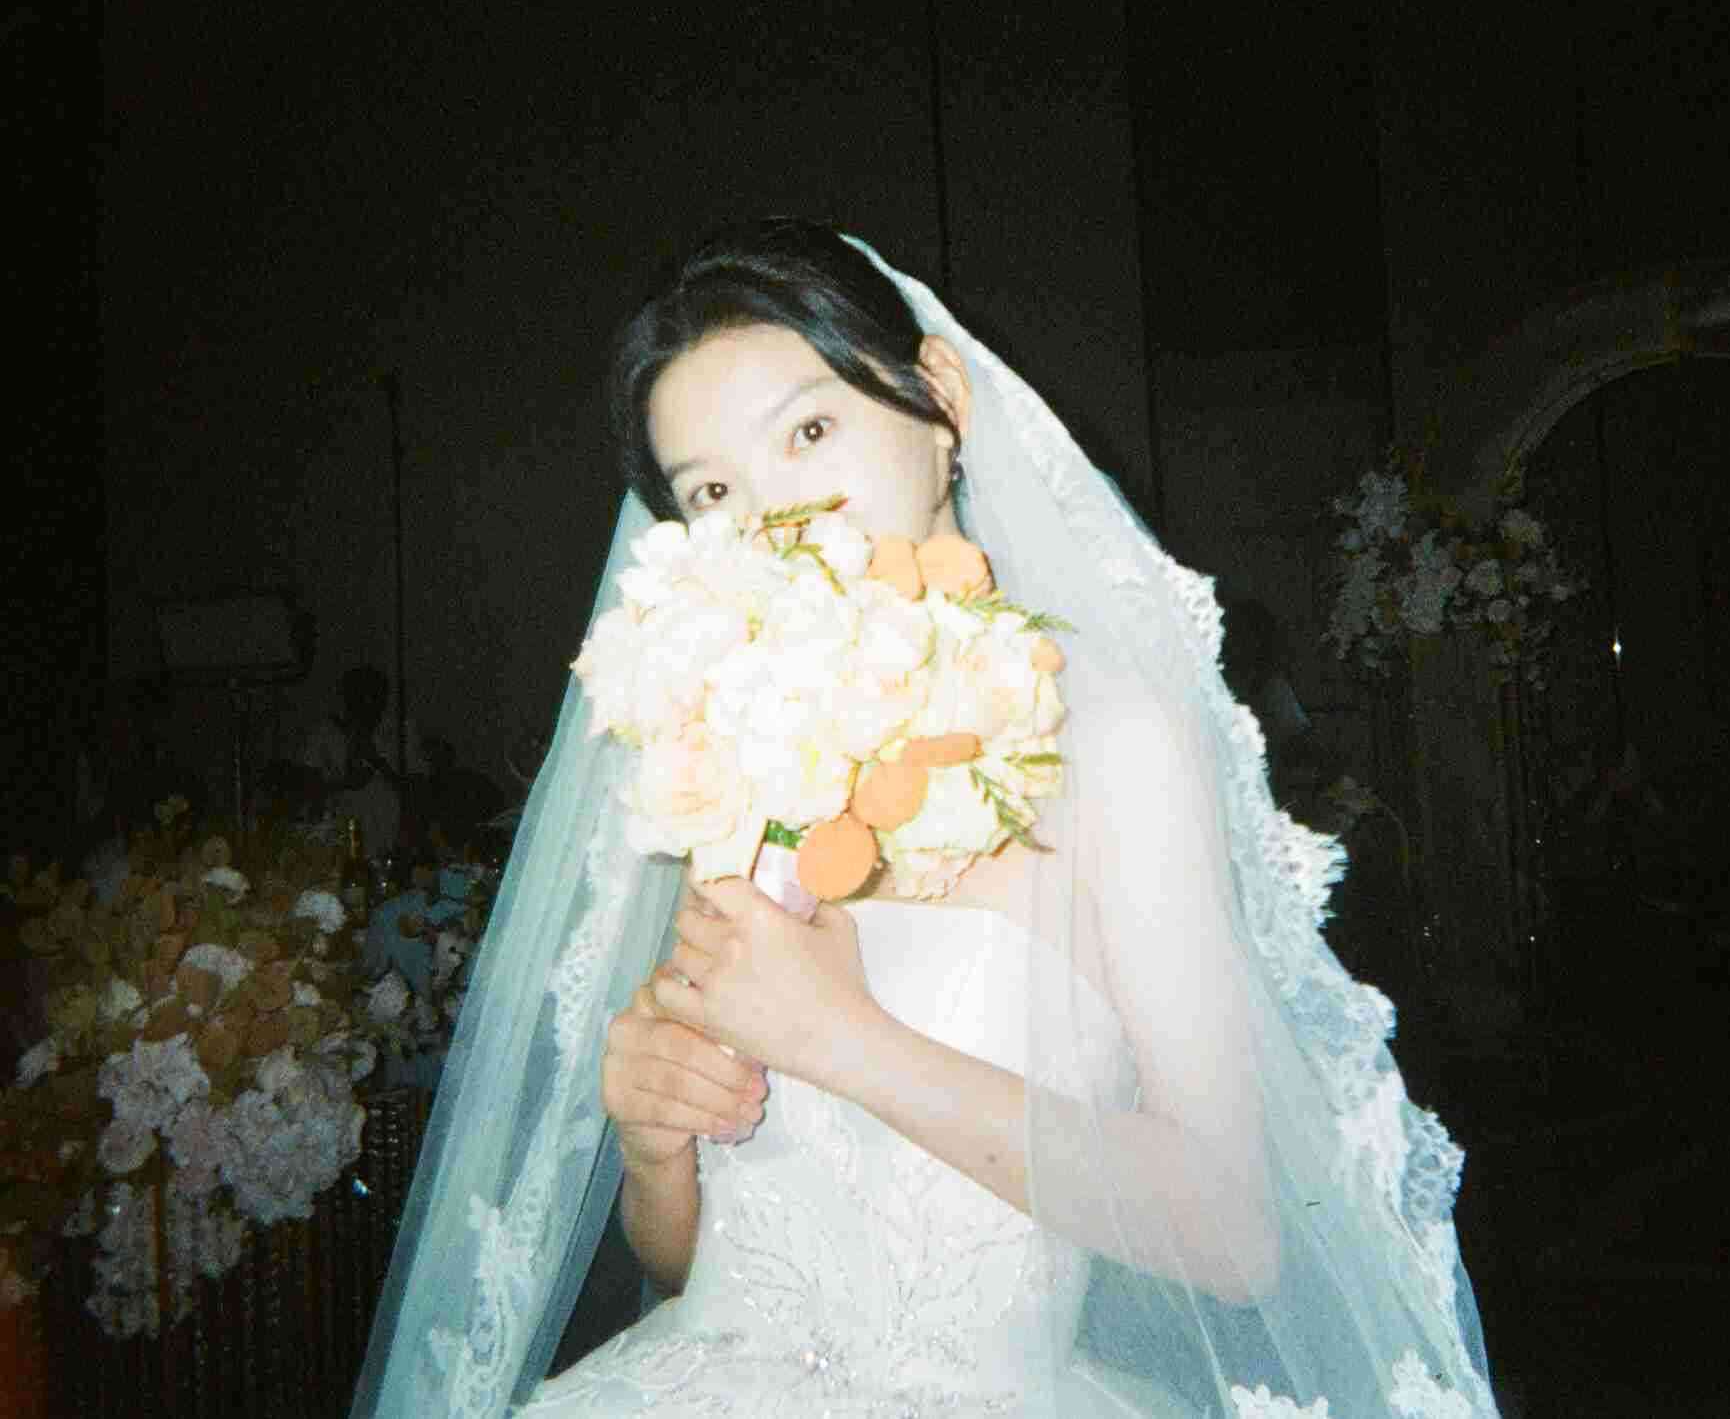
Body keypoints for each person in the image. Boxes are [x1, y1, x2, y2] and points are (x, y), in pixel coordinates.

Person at [351, 220, 1504, 1418]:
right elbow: (696, 1268)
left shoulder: (1113, 742)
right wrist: (655, 1144)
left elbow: (1232, 1230)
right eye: (713, 491)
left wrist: (838, 1035)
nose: (777, 518)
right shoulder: (732, 749)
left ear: (940, 400)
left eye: (809, 432)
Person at [298, 665, 425, 855]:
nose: (367, 704)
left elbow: (417, 789)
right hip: (339, 836)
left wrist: (376, 759)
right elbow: (306, 789)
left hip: (390, 835)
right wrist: (343, 783)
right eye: (359, 698)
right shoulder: (325, 732)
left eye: (374, 698)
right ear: (346, 699)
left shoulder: (402, 731)